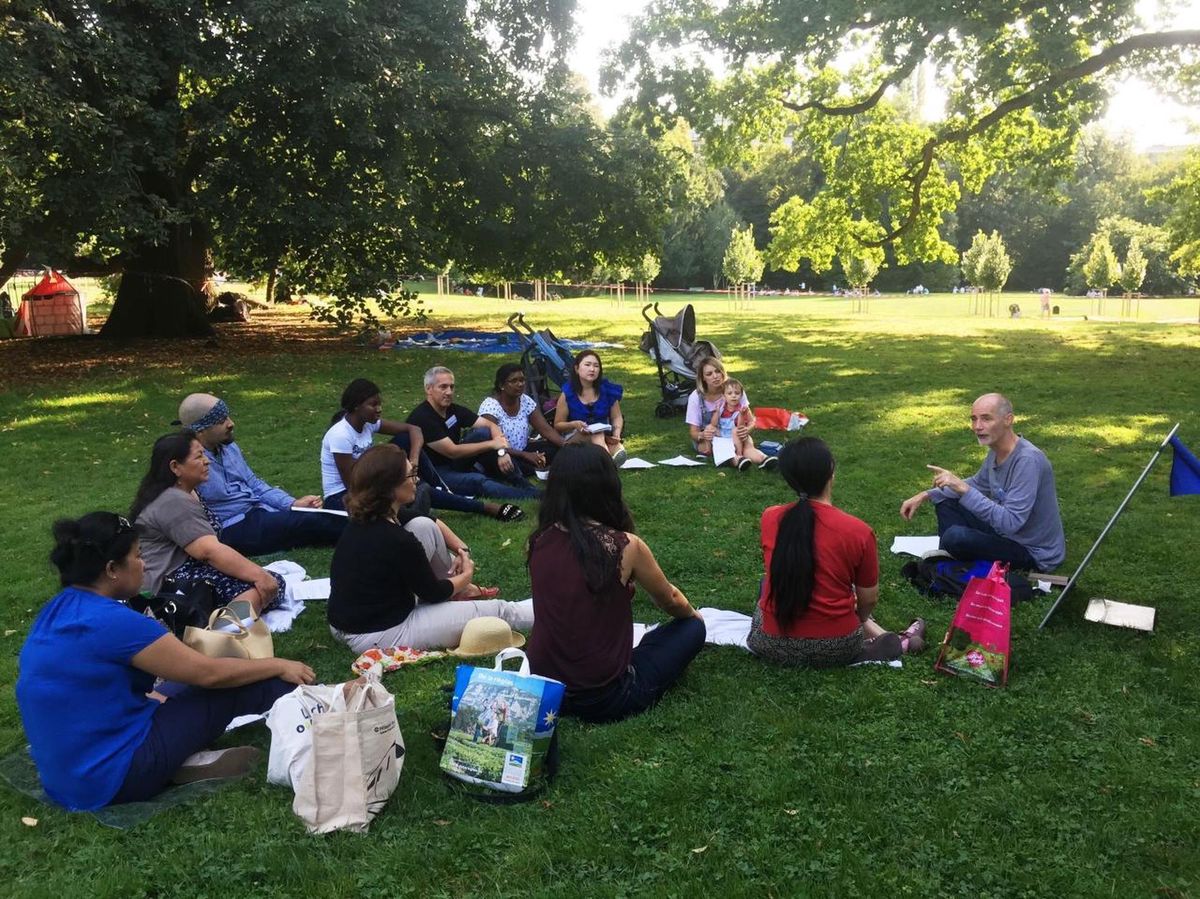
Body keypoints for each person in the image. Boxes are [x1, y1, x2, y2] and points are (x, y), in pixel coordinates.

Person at [16, 512, 315, 810]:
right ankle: (316, 707)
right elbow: (208, 674)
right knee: (250, 683)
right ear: (112, 569)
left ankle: (182, 759)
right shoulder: (115, 621)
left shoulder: (56, 610)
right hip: (117, 776)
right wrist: (279, 665)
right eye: (138, 556)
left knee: (180, 686)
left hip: (65, 775)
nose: (144, 564)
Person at [526, 444, 705, 723]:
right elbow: (669, 599)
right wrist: (693, 615)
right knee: (691, 628)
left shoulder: (537, 541)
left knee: (652, 641)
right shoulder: (625, 546)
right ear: (608, 485)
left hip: (545, 688)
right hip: (605, 696)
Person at [327, 445, 534, 652]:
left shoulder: (368, 517)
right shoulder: (398, 540)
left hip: (348, 622)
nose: (416, 480)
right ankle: (548, 611)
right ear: (391, 488)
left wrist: (462, 550)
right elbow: (434, 593)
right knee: (499, 611)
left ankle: (457, 596)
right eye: (411, 475)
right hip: (378, 633)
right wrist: (466, 577)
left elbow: (428, 520)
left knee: (423, 525)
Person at [748, 438, 926, 667]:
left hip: (769, 642)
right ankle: (883, 641)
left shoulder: (770, 517)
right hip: (836, 646)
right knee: (846, 593)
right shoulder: (858, 531)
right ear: (831, 471)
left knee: (767, 585)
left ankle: (886, 641)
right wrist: (860, 619)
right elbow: (869, 599)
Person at [899, 393, 1066, 572]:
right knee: (946, 500)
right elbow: (978, 483)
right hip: (1005, 535)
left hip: (1032, 551)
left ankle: (953, 560)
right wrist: (926, 494)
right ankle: (950, 557)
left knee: (956, 536)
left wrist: (964, 489)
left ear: (1008, 420)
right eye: (974, 419)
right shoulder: (997, 451)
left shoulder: (1028, 460)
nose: (977, 426)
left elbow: (1011, 522)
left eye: (986, 418)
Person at [132, 431, 285, 612]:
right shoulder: (173, 500)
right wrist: (260, 576)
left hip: (188, 570)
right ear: (175, 467)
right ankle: (226, 624)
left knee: (269, 582)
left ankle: (229, 617)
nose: (207, 461)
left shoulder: (187, 491)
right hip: (168, 584)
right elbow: (208, 551)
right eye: (199, 456)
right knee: (265, 584)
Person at [175, 393, 344, 556]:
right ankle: (356, 536)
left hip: (258, 513)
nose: (231, 423)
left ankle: (352, 530)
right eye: (221, 421)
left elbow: (254, 484)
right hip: (232, 527)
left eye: (228, 417)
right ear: (201, 430)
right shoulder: (187, 463)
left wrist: (292, 503)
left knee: (313, 517)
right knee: (309, 522)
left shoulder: (228, 447)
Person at [407, 366, 540, 502]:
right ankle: (531, 495)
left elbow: (491, 425)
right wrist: (493, 444)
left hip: (454, 463)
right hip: (434, 472)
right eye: (443, 387)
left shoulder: (453, 409)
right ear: (428, 389)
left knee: (483, 433)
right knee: (478, 480)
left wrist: (501, 452)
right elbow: (452, 451)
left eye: (452, 387)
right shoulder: (423, 417)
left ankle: (522, 482)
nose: (449, 392)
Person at [478, 363, 564, 476]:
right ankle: (537, 468)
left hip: (523, 449)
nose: (520, 384)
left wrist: (566, 446)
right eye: (514, 381)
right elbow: (492, 443)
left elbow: (546, 430)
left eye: (522, 380)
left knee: (554, 448)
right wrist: (526, 455)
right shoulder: (490, 407)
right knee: (511, 464)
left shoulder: (525, 401)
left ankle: (538, 466)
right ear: (501, 385)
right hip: (500, 453)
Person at [553, 350, 626, 464]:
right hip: (576, 436)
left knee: (618, 450)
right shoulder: (568, 393)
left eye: (596, 366)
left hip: (603, 434)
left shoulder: (607, 389)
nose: (592, 369)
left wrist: (616, 434)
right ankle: (606, 463)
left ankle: (602, 460)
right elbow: (558, 425)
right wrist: (574, 424)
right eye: (587, 365)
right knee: (596, 436)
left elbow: (617, 416)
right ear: (577, 368)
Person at [686, 355, 754, 458]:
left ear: (722, 372)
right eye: (709, 374)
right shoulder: (696, 397)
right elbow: (693, 432)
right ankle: (735, 455)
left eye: (717, 371)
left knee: (746, 443)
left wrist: (747, 430)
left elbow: (751, 421)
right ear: (703, 378)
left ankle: (759, 458)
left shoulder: (734, 389)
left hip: (734, 434)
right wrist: (702, 435)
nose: (715, 376)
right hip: (710, 438)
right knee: (705, 447)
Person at [709, 378, 776, 470]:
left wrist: (744, 420)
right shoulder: (721, 408)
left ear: (741, 396)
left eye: (737, 393)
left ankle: (764, 459)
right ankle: (740, 457)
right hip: (725, 438)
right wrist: (716, 413)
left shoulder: (743, 408)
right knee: (725, 434)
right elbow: (713, 424)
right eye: (730, 393)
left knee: (749, 447)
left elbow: (748, 423)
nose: (734, 396)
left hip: (740, 436)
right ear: (724, 396)